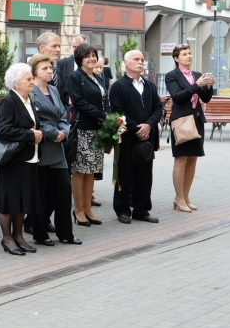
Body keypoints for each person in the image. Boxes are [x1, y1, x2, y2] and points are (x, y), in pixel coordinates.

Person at [0, 63, 43, 256]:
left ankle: (19, 236)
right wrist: (30, 135)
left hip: (29, 158)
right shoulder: (9, 101)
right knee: (9, 200)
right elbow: (3, 130)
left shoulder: (29, 100)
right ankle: (7, 239)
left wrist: (39, 133)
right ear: (16, 83)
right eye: (28, 79)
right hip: (13, 160)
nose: (32, 82)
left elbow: (36, 124)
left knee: (23, 199)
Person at [29, 54, 81, 246]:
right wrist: (54, 133)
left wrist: (64, 132)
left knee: (63, 190)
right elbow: (35, 120)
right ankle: (40, 233)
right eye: (44, 68)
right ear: (34, 72)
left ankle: (66, 233)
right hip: (42, 148)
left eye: (50, 68)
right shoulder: (31, 91)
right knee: (41, 193)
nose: (49, 71)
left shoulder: (53, 89)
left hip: (58, 148)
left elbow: (63, 115)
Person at [110, 50, 163, 224]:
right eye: (136, 59)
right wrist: (136, 128)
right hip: (127, 138)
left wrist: (148, 125)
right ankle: (123, 210)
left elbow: (158, 108)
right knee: (124, 174)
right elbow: (117, 111)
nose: (140, 62)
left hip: (146, 138)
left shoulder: (149, 86)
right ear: (126, 63)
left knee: (145, 176)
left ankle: (142, 210)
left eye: (142, 59)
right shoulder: (118, 86)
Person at [165, 45, 214, 213]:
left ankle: (185, 196)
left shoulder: (197, 75)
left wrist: (208, 86)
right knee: (181, 160)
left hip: (197, 120)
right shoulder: (172, 76)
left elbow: (205, 99)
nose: (188, 56)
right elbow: (177, 97)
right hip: (181, 121)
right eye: (184, 54)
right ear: (176, 58)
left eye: (190, 53)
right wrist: (196, 85)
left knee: (193, 160)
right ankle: (178, 198)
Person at [68, 43, 110, 227]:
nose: (92, 59)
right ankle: (78, 210)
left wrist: (109, 116)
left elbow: (104, 100)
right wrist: (102, 116)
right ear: (80, 59)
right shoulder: (76, 77)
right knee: (79, 171)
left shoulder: (98, 77)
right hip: (83, 130)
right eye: (88, 56)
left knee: (91, 171)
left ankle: (88, 208)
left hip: (97, 130)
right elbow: (79, 102)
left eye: (94, 55)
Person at [57, 34, 86, 105]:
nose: (76, 49)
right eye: (74, 47)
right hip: (67, 107)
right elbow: (61, 86)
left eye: (79, 47)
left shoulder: (92, 63)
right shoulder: (62, 63)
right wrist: (69, 99)